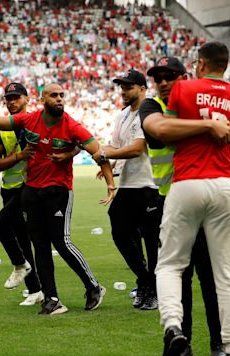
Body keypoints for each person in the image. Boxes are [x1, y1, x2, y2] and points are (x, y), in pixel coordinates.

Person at [0, 83, 115, 315]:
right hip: (31, 191)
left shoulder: (72, 125)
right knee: (39, 245)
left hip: (58, 191)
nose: (59, 99)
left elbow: (98, 152)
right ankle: (52, 299)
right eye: (54, 95)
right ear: (41, 99)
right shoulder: (29, 120)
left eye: (62, 95)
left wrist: (110, 183)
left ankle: (94, 287)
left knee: (62, 242)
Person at [144, 42, 230, 356]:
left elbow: (168, 133)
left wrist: (203, 125)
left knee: (169, 266)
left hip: (187, 181)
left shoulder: (184, 89)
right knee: (229, 273)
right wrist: (218, 127)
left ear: (200, 63)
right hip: (225, 183)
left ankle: (174, 326)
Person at [140, 56, 225, 356]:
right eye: (158, 77)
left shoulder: (195, 106)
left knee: (208, 276)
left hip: (202, 200)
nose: (163, 82)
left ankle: (218, 342)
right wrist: (206, 126)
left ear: (185, 77)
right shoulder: (151, 107)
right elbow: (161, 133)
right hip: (168, 203)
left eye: (170, 76)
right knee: (180, 275)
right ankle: (181, 340)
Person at [92, 69, 160, 310]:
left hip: (149, 185)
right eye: (121, 86)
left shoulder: (148, 113)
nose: (123, 91)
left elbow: (136, 149)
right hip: (128, 184)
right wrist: (110, 161)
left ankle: (153, 290)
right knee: (121, 233)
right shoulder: (121, 116)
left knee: (152, 242)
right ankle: (145, 280)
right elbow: (117, 145)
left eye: (128, 87)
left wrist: (108, 153)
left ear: (142, 89)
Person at [0, 82, 43, 306]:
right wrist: (20, 157)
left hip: (31, 188)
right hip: (9, 189)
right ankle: (36, 290)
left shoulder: (38, 122)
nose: (12, 102)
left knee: (0, 224)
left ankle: (22, 267)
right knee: (23, 238)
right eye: (8, 98)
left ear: (26, 99)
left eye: (16, 97)